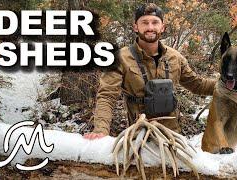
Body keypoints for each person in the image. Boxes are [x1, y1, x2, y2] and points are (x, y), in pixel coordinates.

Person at [84, 3, 216, 140]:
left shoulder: (175, 57)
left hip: (173, 137)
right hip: (139, 135)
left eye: (155, 22)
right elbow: (106, 96)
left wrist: (229, 85)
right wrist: (101, 130)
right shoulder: (119, 58)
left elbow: (198, 85)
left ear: (162, 27)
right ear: (136, 27)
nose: (150, 27)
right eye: (145, 23)